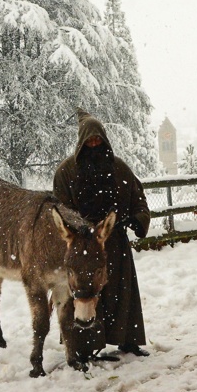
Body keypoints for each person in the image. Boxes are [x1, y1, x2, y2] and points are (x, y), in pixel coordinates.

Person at [53, 108, 152, 357]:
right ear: (81, 142)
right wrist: (82, 231)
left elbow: (138, 200)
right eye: (89, 140)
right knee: (85, 292)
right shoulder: (66, 172)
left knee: (122, 291)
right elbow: (61, 208)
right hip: (83, 247)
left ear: (105, 140)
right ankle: (83, 347)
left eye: (98, 139)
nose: (94, 144)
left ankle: (127, 339)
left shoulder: (120, 168)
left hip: (115, 242)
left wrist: (136, 220)